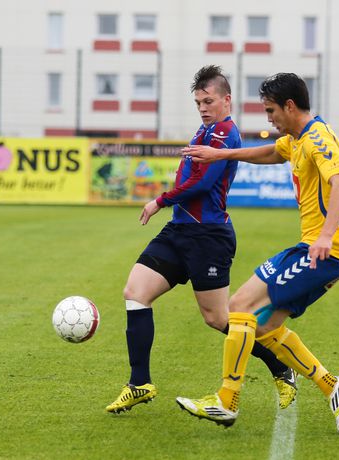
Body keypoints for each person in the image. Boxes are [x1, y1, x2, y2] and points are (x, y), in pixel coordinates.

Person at [105, 65, 297, 414]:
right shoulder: (205, 129)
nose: (203, 108)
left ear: (226, 100)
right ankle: (139, 383)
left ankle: (280, 367)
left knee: (218, 318)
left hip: (208, 236)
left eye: (208, 101)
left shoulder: (225, 133)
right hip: (179, 231)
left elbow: (204, 183)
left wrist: (160, 200)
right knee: (135, 293)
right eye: (198, 103)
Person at [176, 73, 339, 434]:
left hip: (324, 251)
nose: (269, 119)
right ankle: (332, 386)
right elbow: (272, 152)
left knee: (240, 307)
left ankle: (226, 400)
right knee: (264, 326)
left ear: (289, 106)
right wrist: (222, 154)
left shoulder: (318, 138)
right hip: (313, 249)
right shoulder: (298, 138)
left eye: (271, 111)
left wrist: (325, 236)